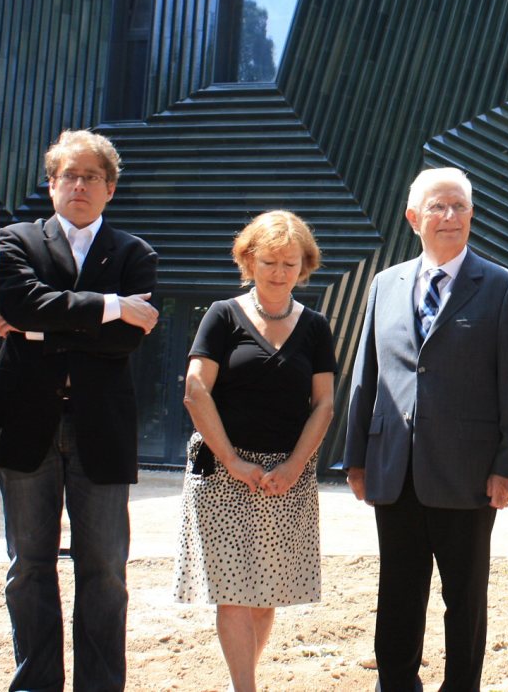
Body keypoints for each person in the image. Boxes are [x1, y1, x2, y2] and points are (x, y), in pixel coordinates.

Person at [343, 167, 508, 692]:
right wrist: (356, 457)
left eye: (459, 206)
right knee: (398, 593)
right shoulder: (385, 284)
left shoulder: (502, 287)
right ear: (413, 218)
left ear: (471, 215)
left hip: (469, 476)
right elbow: (367, 375)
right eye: (438, 207)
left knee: (465, 598)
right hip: (394, 470)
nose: (450, 216)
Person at [0, 130, 159, 692]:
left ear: (109, 188)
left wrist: (39, 328)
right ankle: (35, 684)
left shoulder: (135, 254)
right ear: (51, 183)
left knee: (105, 570)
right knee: (27, 567)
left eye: (91, 177)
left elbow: (123, 344)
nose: (79, 185)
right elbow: (19, 302)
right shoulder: (15, 240)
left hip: (101, 430)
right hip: (26, 424)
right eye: (68, 175)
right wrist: (110, 307)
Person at [173, 211, 336, 692]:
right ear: (248, 259)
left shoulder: (316, 326)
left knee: (266, 593)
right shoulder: (223, 315)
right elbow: (195, 389)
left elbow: (324, 403)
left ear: (304, 266)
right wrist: (233, 461)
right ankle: (244, 686)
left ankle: (242, 680)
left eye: (290, 262)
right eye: (270, 261)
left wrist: (294, 465)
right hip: (224, 473)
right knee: (233, 593)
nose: (280, 272)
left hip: (286, 476)